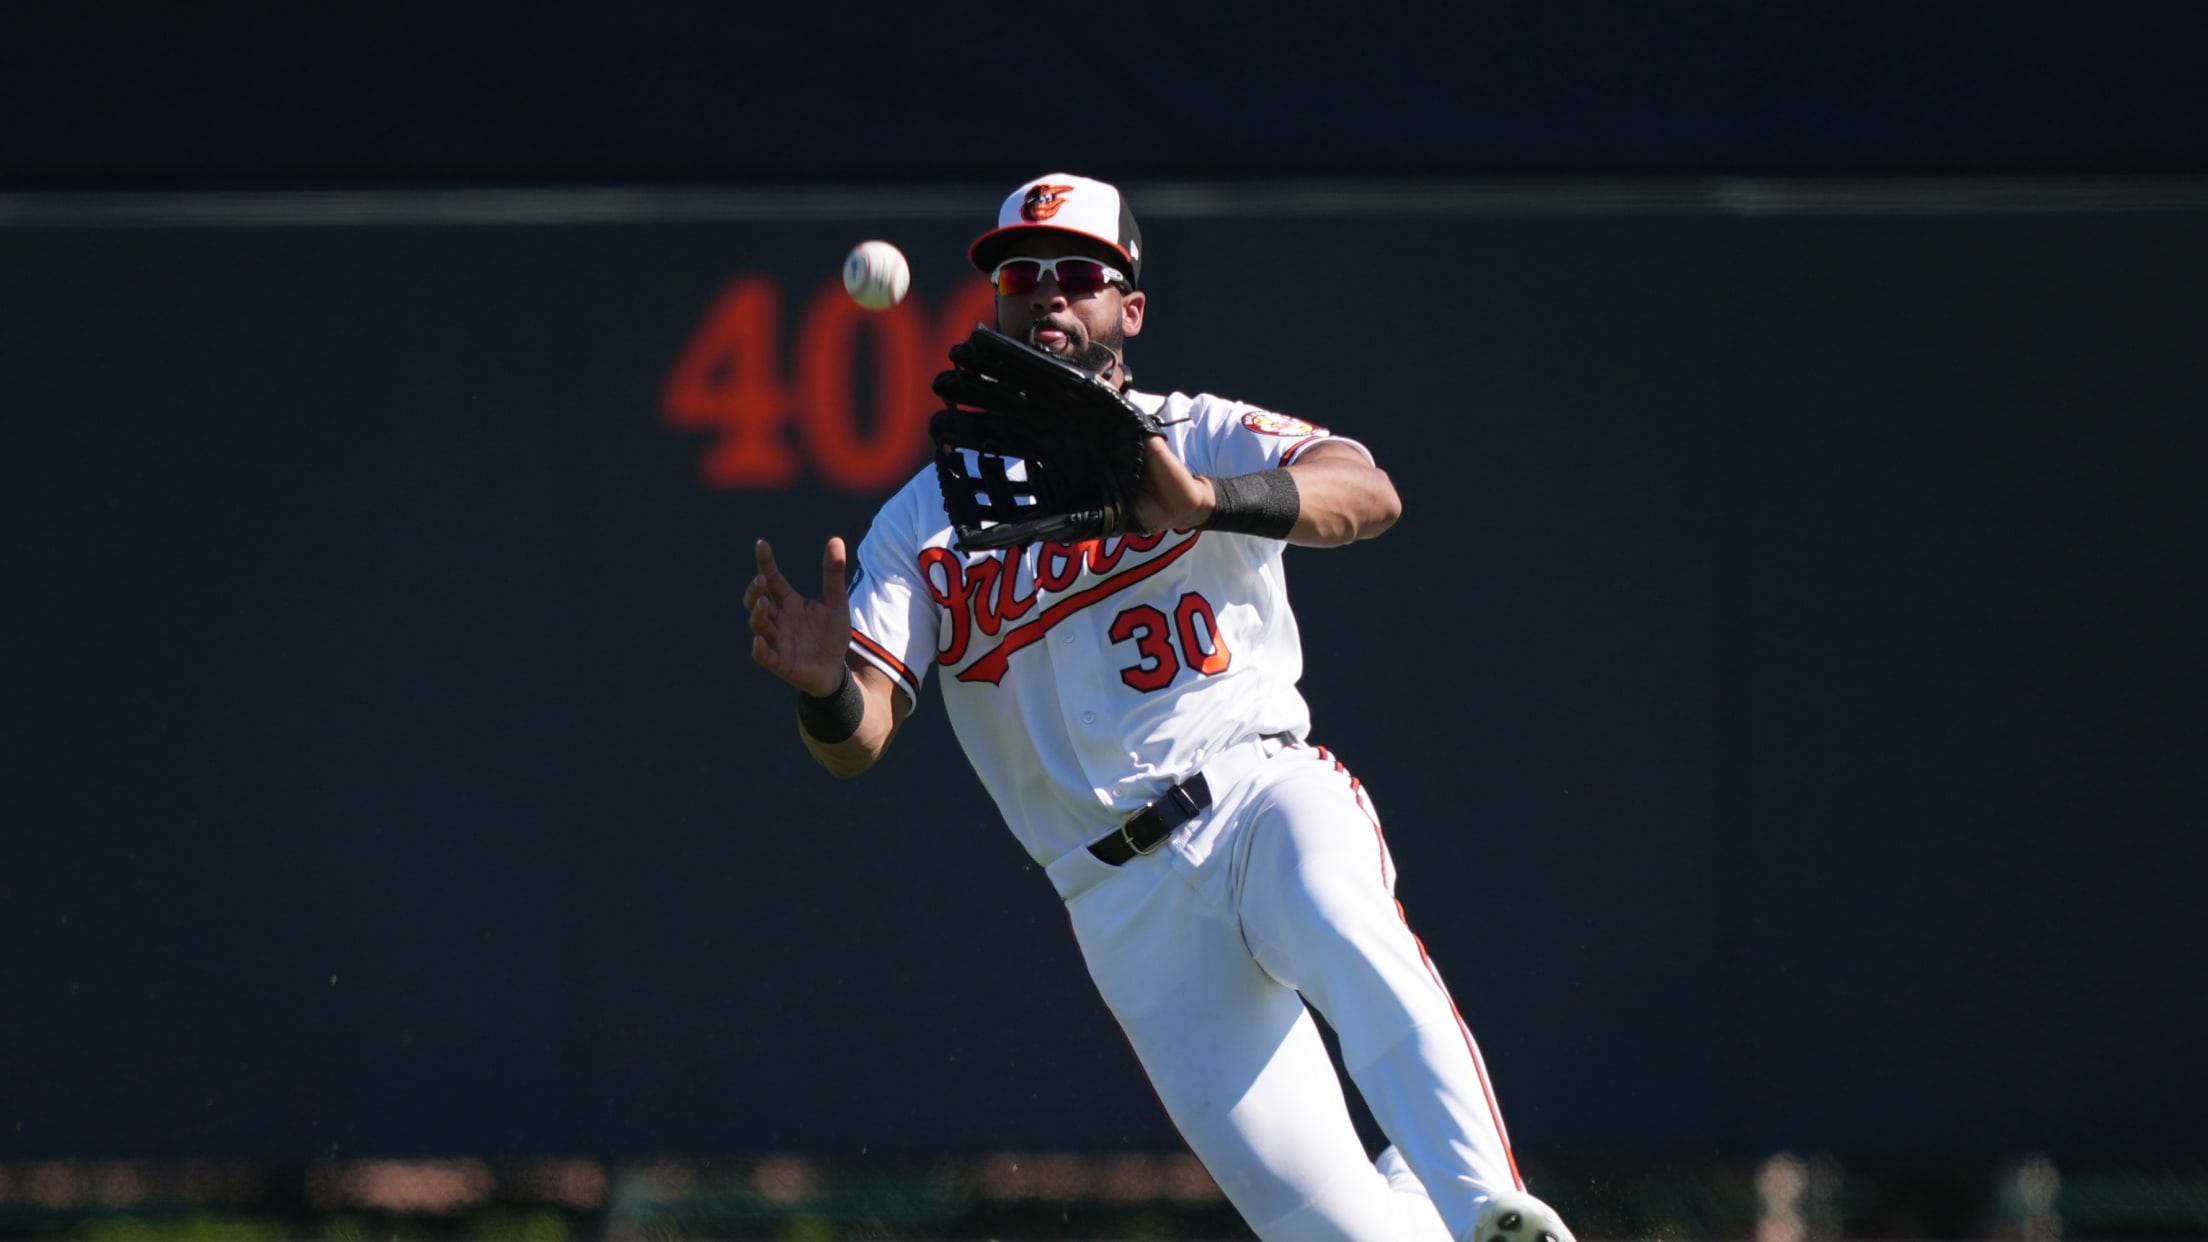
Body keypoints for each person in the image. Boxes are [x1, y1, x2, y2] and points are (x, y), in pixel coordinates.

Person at [743, 172, 1577, 1242]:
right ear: (992, 306)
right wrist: (823, 693)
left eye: (1077, 274)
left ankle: (1486, 1209)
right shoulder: (926, 519)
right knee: (1331, 1232)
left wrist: (1210, 501)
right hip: (1118, 902)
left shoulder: (1196, 430)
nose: (1045, 293)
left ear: (1128, 308)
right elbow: (858, 738)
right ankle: (1420, 1208)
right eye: (1018, 275)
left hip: (1259, 792)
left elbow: (1369, 491)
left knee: (1340, 915)